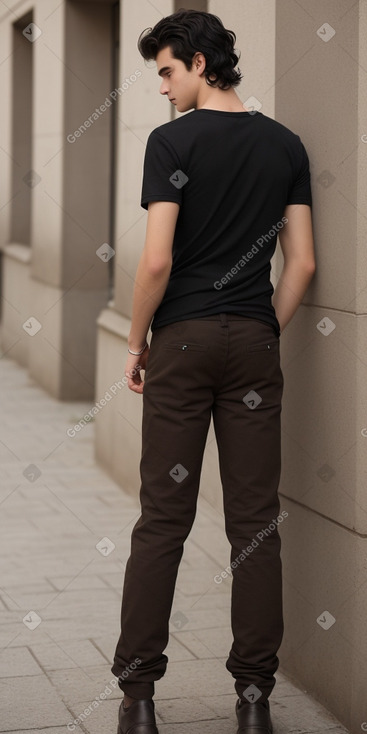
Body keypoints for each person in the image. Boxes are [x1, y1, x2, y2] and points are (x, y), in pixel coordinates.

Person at [111, 9, 315, 734]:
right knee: (255, 524)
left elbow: (157, 261)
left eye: (166, 70)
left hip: (182, 345)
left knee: (162, 519)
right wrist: (262, 328)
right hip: (252, 344)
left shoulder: (171, 141)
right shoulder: (283, 145)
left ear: (200, 64)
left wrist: (136, 345)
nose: (161, 87)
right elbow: (304, 264)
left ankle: (137, 700)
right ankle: (254, 702)